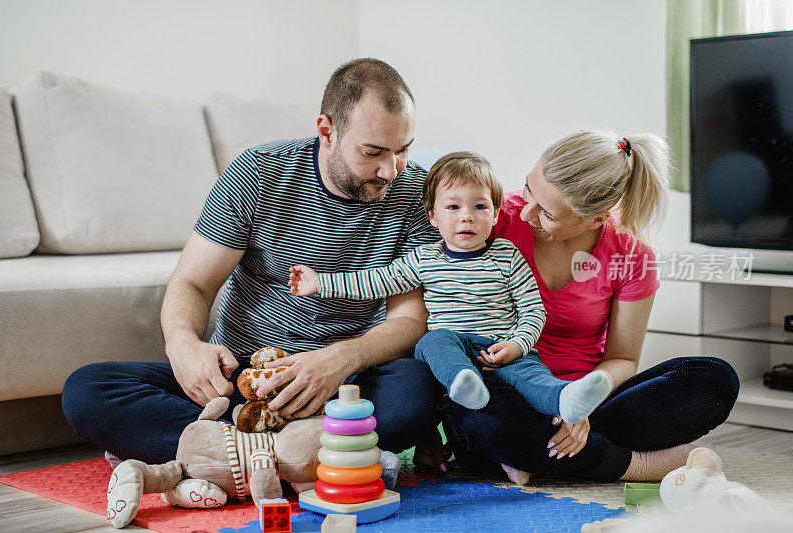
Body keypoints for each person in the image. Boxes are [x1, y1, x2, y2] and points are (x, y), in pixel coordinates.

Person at [61, 58, 444, 467]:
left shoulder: (417, 195)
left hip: (343, 381)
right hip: (241, 381)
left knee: (416, 393)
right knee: (87, 392)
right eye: (373, 152)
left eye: (403, 150)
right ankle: (302, 454)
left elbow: (408, 321)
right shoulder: (258, 173)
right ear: (327, 131)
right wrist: (184, 345)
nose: (390, 169)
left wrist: (338, 360)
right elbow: (192, 283)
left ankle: (221, 453)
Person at [433, 131, 740, 482]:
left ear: (595, 220)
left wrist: (579, 408)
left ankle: (542, 455)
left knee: (714, 378)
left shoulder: (631, 253)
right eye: (529, 188)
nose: (526, 211)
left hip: (590, 399)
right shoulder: (490, 221)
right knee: (471, 412)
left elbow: (622, 359)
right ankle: (635, 465)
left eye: (546, 213)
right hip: (507, 388)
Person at [288, 151, 614, 427]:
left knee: (533, 374)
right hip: (452, 348)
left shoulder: (507, 256)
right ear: (433, 216)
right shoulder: (424, 259)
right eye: (453, 207)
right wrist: (321, 283)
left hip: (500, 349)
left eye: (480, 207)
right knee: (433, 339)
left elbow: (533, 309)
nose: (467, 218)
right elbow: (376, 281)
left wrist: (517, 345)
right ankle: (463, 381)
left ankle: (566, 399)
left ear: (497, 213)